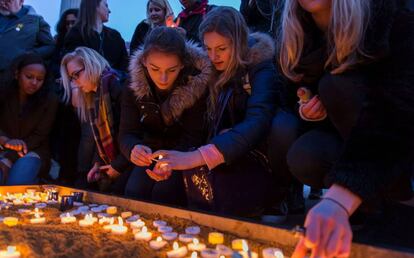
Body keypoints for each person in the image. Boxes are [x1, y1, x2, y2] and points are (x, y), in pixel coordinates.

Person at [272, 0, 414, 257]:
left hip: (396, 144)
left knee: (335, 86)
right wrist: (306, 108)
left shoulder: (384, 16)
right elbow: (292, 94)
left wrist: (339, 198)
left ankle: (402, 202)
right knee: (304, 155)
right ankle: (366, 208)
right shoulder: (300, 34)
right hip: (350, 144)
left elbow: (398, 106)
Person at [151, 7, 279, 217]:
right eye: (208, 48)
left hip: (253, 152)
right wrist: (174, 159)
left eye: (221, 48)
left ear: (238, 43)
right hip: (220, 149)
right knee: (164, 192)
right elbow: (197, 125)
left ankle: (279, 195)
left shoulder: (259, 68)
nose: (213, 56)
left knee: (282, 125)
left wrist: (197, 156)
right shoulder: (206, 71)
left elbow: (259, 120)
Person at [120, 27, 212, 206]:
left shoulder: (196, 84)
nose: (163, 78)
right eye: (155, 69)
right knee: (134, 191)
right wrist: (133, 149)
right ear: (145, 61)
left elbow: (194, 136)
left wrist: (172, 161)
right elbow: (126, 133)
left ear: (183, 64)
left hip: (183, 154)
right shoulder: (133, 85)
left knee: (165, 193)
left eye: (171, 70)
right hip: (150, 151)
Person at [61, 47, 130, 193]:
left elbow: (129, 133)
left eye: (76, 75)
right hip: (120, 160)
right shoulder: (94, 95)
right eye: (72, 78)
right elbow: (102, 139)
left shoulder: (116, 86)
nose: (75, 82)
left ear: (91, 64)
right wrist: (98, 164)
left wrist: (117, 166)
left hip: (132, 158)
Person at [0, 53, 59, 185]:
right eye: (29, 77)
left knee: (17, 182)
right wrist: (5, 140)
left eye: (40, 79)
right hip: (3, 146)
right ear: (16, 74)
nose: (34, 83)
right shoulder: (3, 93)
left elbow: (39, 135)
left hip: (33, 150)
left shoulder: (50, 100)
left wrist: (10, 158)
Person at [64, 0, 128, 73]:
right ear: (95, 6)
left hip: (114, 83)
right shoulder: (75, 34)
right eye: (106, 5)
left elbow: (125, 65)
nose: (109, 11)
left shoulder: (115, 36)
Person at [0, 0, 54, 82]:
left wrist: (29, 55)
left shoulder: (36, 21)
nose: (2, 4)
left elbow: (50, 46)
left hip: (14, 78)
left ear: (21, 1)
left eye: (8, 1)